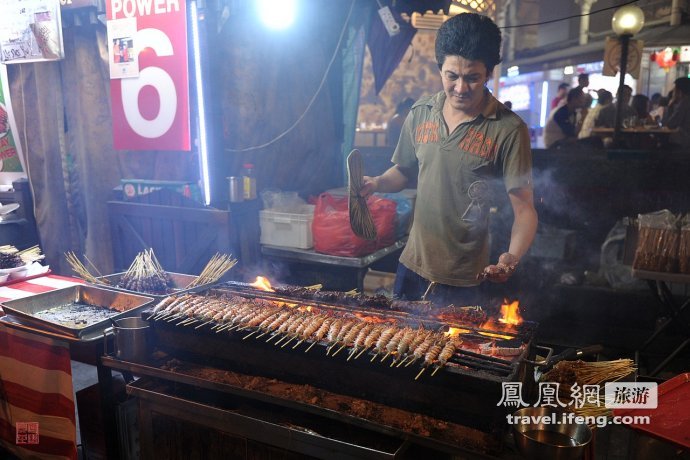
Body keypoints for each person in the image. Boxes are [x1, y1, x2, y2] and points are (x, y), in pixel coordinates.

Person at [360, 13, 538, 306]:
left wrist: (511, 258)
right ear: (440, 68)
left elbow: (525, 210)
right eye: (451, 76)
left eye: (472, 78)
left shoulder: (508, 129)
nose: (460, 88)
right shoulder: (421, 112)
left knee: (449, 352)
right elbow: (404, 171)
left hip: (465, 278)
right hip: (412, 266)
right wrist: (376, 182)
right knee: (399, 349)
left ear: (489, 73)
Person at [663, 77, 690, 150]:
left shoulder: (684, 103)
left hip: (684, 143)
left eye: (674, 89)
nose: (673, 92)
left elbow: (670, 124)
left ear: (679, 91)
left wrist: (670, 107)